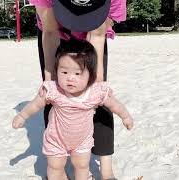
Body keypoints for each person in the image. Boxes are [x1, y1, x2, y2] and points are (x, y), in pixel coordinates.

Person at [31, 0, 127, 179]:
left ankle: (107, 171)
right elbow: (50, 32)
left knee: (99, 96)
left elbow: (97, 35)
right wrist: (50, 82)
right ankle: (57, 166)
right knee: (52, 94)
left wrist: (97, 86)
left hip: (93, 35)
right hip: (53, 32)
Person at [12, 40, 133, 180]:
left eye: (77, 73)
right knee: (55, 166)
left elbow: (115, 105)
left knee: (81, 166)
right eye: (64, 72)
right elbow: (35, 105)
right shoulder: (54, 90)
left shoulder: (95, 92)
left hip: (82, 140)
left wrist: (125, 117)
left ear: (91, 75)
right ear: (56, 70)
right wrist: (22, 116)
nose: (70, 78)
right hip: (56, 139)